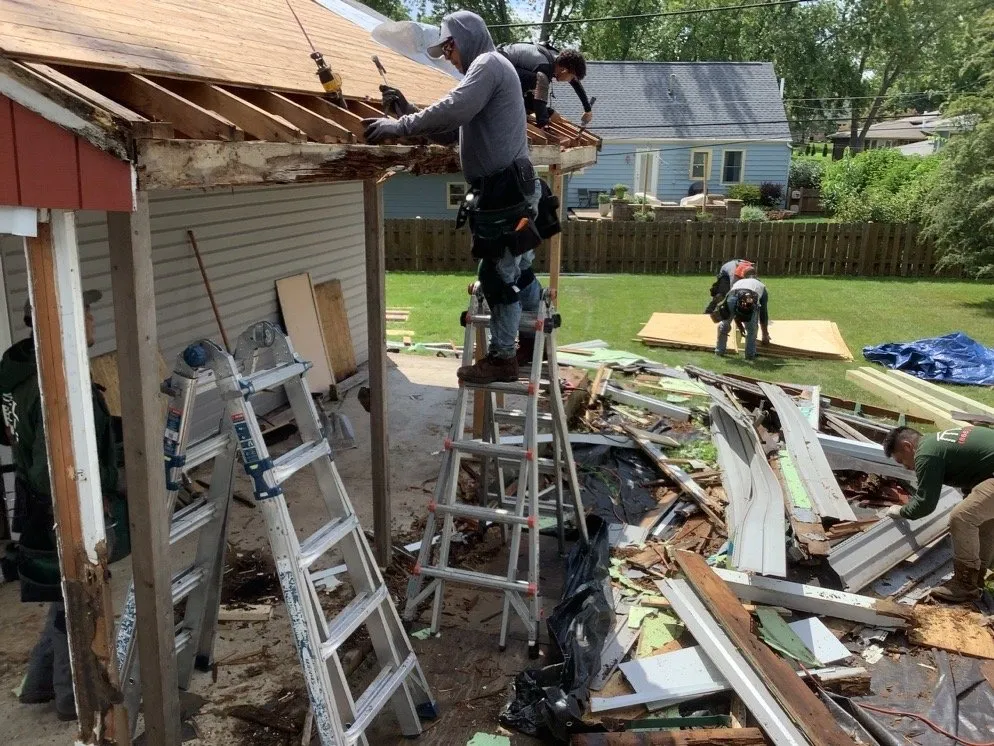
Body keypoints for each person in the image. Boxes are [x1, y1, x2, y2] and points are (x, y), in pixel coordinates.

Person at [365, 11, 554, 383]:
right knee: (520, 270)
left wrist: (397, 126)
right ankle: (532, 343)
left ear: (460, 40)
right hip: (510, 191)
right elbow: (452, 133)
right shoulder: (490, 72)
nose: (448, 58)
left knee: (497, 275)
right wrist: (408, 112)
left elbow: (453, 108)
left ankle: (503, 359)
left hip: (506, 195)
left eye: (448, 49)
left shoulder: (488, 63)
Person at [0, 289, 123, 721]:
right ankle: (75, 701)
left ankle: (37, 686)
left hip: (36, 506)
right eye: (85, 313)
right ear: (64, 322)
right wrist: (116, 477)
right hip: (60, 507)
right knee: (76, 602)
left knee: (61, 599)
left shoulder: (18, 372)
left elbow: (16, 435)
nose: (92, 321)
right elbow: (54, 467)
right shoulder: (56, 385)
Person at [882, 425, 994, 603]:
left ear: (907, 446)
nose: (907, 467)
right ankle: (975, 582)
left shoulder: (926, 454)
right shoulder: (938, 442)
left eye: (902, 461)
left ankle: (965, 586)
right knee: (983, 523)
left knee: (962, 517)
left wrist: (901, 511)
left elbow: (925, 504)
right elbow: (975, 466)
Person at [497, 42, 592, 127]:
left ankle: (522, 108)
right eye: (571, 78)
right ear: (564, 70)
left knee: (535, 88)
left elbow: (576, 83)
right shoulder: (545, 68)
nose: (570, 81)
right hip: (498, 69)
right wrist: (545, 120)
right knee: (537, 82)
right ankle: (517, 110)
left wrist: (587, 109)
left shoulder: (558, 60)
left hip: (505, 67)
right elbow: (539, 102)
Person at [714, 272, 770, 361]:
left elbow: (735, 307)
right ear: (758, 279)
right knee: (751, 329)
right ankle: (750, 355)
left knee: (725, 324)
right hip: (749, 298)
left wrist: (740, 326)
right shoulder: (761, 286)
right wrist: (765, 335)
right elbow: (763, 314)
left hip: (731, 297)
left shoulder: (739, 282)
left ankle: (719, 351)